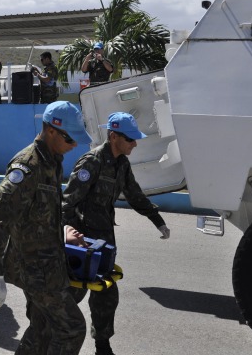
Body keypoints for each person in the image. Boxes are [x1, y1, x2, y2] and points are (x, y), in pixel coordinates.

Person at [0, 100, 92, 354]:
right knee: (71, 328)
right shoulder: (28, 166)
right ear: (51, 130)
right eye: (70, 139)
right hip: (34, 270)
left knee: (42, 329)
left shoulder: (52, 160)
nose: (74, 145)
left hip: (50, 265)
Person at [62, 111, 171, 355]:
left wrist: (157, 220)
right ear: (113, 136)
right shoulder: (91, 163)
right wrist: (71, 237)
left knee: (106, 295)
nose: (135, 143)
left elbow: (134, 194)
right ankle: (47, 333)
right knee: (70, 295)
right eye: (130, 139)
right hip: (82, 242)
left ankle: (102, 345)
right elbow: (67, 204)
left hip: (104, 242)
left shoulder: (121, 164)